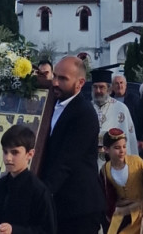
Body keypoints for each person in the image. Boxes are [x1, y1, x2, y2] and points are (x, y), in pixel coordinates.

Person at [41, 56, 105, 234]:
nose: (55, 82)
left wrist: (40, 194)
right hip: (58, 205)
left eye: (62, 79)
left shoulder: (84, 113)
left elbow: (66, 161)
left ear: (80, 83)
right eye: (54, 76)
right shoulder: (49, 104)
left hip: (79, 207)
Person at [100, 128, 143, 234]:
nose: (122, 151)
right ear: (106, 149)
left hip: (141, 211)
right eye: (117, 147)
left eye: (124, 147)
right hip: (121, 212)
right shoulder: (105, 170)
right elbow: (108, 195)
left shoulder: (137, 162)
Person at [92, 67, 138, 168]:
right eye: (95, 87)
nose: (98, 90)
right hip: (91, 162)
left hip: (114, 162)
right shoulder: (87, 108)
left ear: (109, 89)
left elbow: (129, 138)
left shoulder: (121, 108)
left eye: (102, 87)